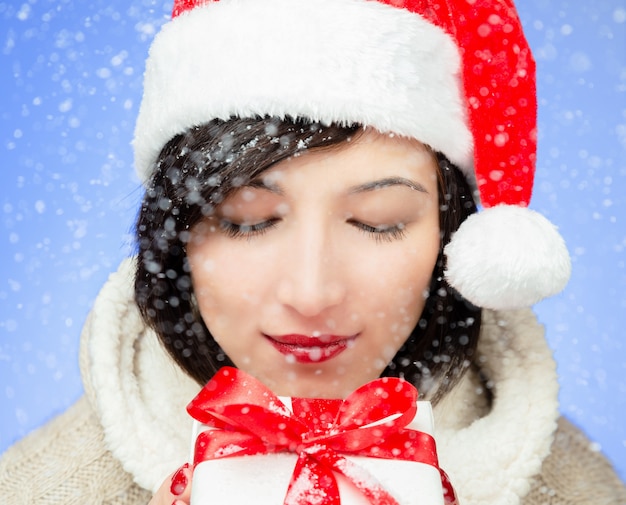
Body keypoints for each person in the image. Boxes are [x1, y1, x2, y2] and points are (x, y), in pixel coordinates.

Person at [1, 0, 624, 504]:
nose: (312, 292)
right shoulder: (37, 491)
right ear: (179, 236)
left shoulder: (579, 493)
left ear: (451, 236)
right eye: (248, 222)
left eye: (377, 223)